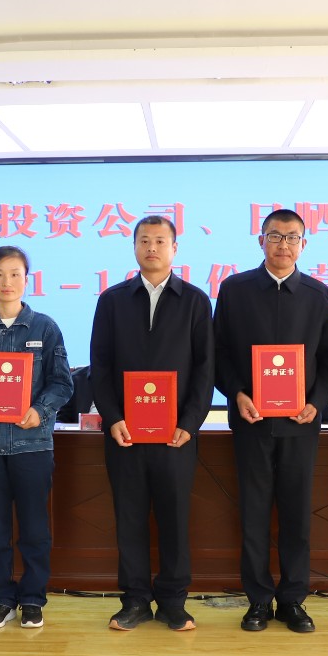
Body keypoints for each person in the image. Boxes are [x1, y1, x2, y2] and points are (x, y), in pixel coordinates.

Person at [212, 208, 328, 633]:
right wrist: (237, 392)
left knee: (296, 515)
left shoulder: (319, 295)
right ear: (261, 241)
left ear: (303, 245)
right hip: (250, 421)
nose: (283, 244)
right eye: (274, 236)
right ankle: (257, 601)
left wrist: (317, 402)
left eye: (291, 237)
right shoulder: (234, 290)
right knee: (252, 515)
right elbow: (219, 353)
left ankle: (292, 601)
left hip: (301, 424)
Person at [90, 215, 215, 632]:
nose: (152, 248)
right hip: (125, 433)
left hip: (176, 435)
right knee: (129, 518)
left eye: (160, 241)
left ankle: (174, 602)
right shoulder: (112, 300)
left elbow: (205, 368)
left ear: (174, 249)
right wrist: (113, 418)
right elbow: (100, 366)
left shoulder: (195, 301)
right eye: (144, 240)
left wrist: (191, 422)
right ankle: (135, 601)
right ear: (134, 247)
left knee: (174, 518)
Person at [0, 246, 74, 630]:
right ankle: (0, 598)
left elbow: (62, 383)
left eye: (15, 273)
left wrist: (40, 410)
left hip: (31, 444)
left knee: (35, 529)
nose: (7, 281)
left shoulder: (45, 328)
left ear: (27, 279)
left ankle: (33, 599)